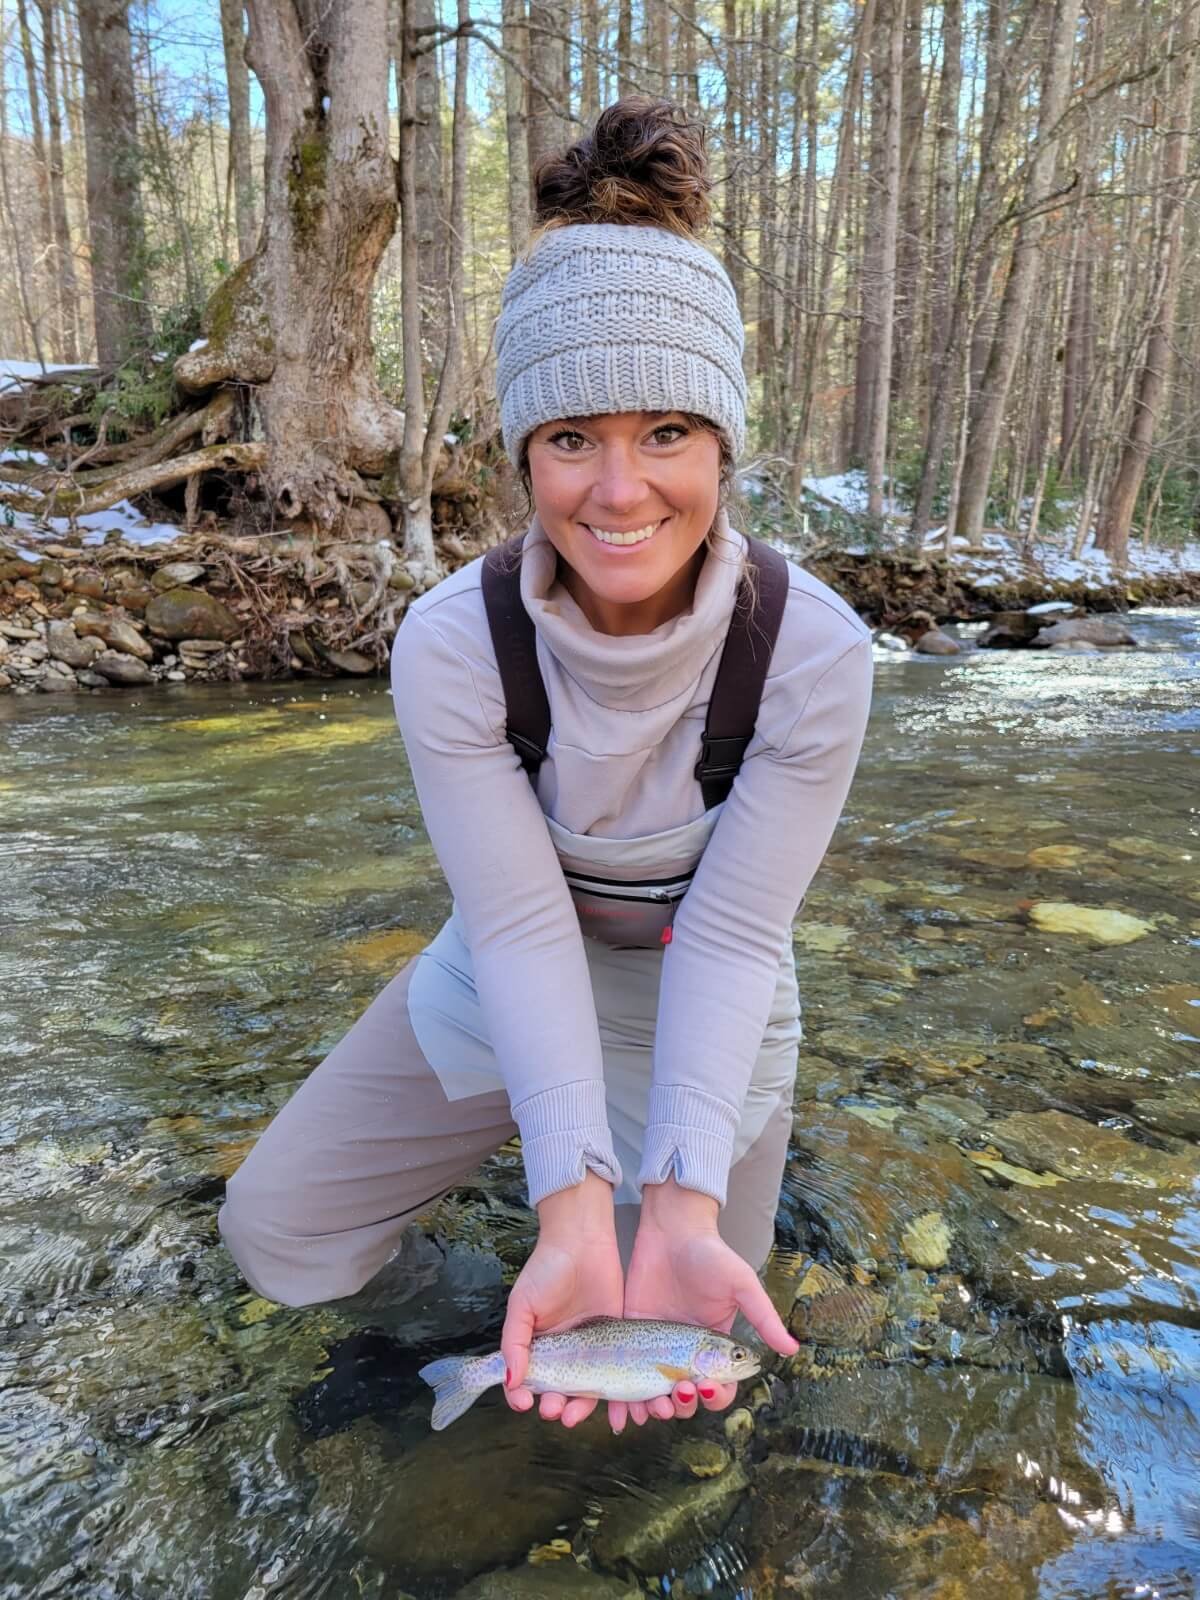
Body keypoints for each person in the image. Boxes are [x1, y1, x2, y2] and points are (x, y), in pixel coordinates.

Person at [219, 95, 873, 1436]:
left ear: (723, 446)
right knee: (276, 1243)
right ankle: (482, 1314)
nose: (618, 492)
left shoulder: (811, 653)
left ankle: (671, 1205)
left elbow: (738, 933)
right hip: (511, 959)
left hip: (713, 978)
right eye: (572, 438)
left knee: (688, 1368)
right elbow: (513, 927)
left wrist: (673, 1202)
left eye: (666, 435)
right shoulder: (455, 645)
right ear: (523, 449)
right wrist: (567, 1206)